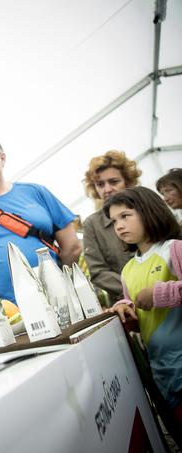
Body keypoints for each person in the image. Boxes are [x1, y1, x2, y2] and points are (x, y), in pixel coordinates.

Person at [0, 136, 81, 303]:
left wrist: (59, 284)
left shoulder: (36, 192)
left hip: (59, 298)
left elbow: (73, 247)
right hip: (10, 313)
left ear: (2, 158)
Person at [105, 187, 182, 427]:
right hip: (162, 370)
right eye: (114, 221)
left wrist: (160, 293)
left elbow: (157, 296)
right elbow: (139, 318)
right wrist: (125, 311)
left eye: (125, 216)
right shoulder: (128, 270)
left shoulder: (175, 249)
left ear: (149, 211)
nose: (118, 226)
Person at [82, 150, 141, 304]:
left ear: (127, 181)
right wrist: (136, 288)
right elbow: (98, 272)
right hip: (128, 305)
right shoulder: (92, 225)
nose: (107, 189)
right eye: (100, 184)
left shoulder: (147, 208)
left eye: (114, 182)